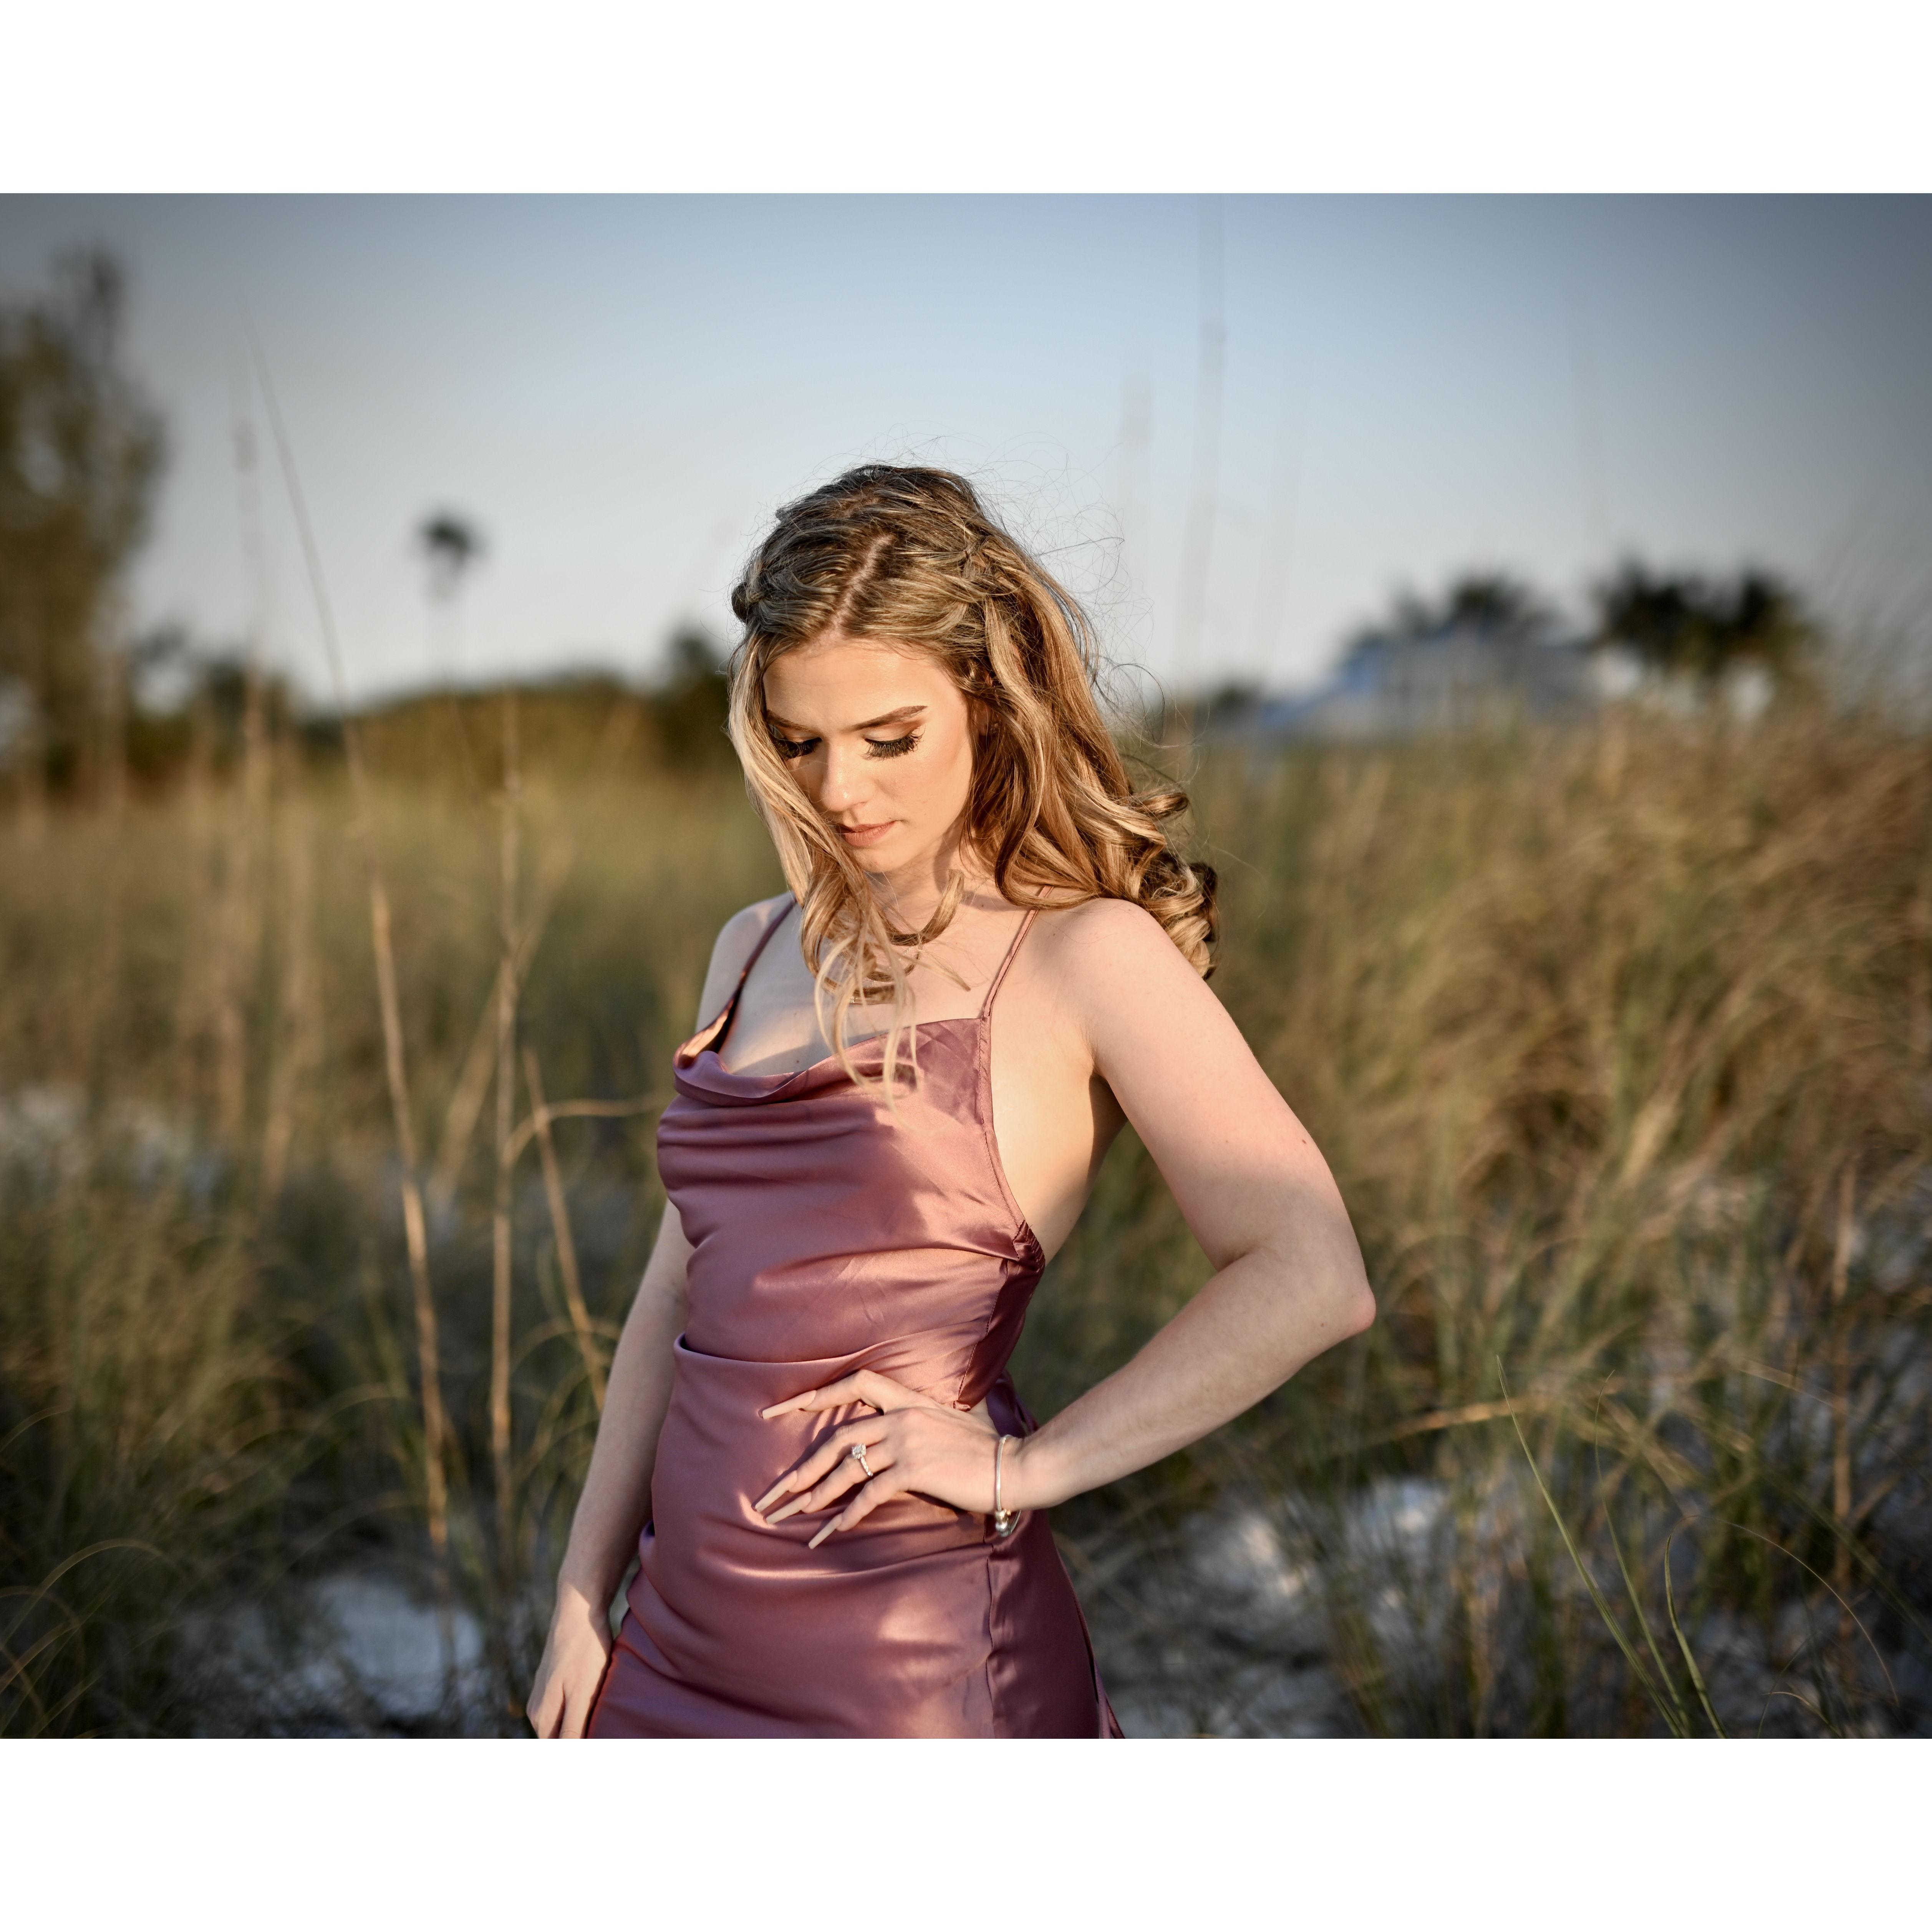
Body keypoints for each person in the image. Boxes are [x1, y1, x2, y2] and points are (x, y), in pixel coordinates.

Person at [527, 464, 1374, 1738]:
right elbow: (676, 1293)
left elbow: (1313, 1273)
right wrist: (582, 1592)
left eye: (889, 738)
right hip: (674, 1633)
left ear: (986, 696)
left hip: (915, 1662)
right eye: (801, 742)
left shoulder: (1085, 957)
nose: (839, 792)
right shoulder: (752, 947)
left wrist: (1028, 1467)